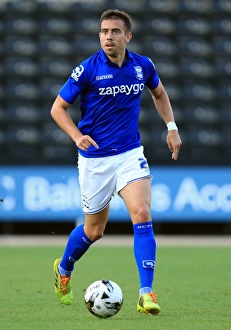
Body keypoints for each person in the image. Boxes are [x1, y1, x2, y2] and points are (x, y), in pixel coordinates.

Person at [51, 9, 182, 315]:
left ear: (127, 36)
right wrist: (75, 135)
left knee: (141, 211)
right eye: (103, 32)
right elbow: (58, 108)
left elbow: (159, 94)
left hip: (129, 153)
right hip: (95, 160)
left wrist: (172, 128)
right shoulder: (87, 70)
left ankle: (146, 293)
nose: (108, 37)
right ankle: (65, 269)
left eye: (114, 32)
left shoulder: (143, 66)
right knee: (94, 231)